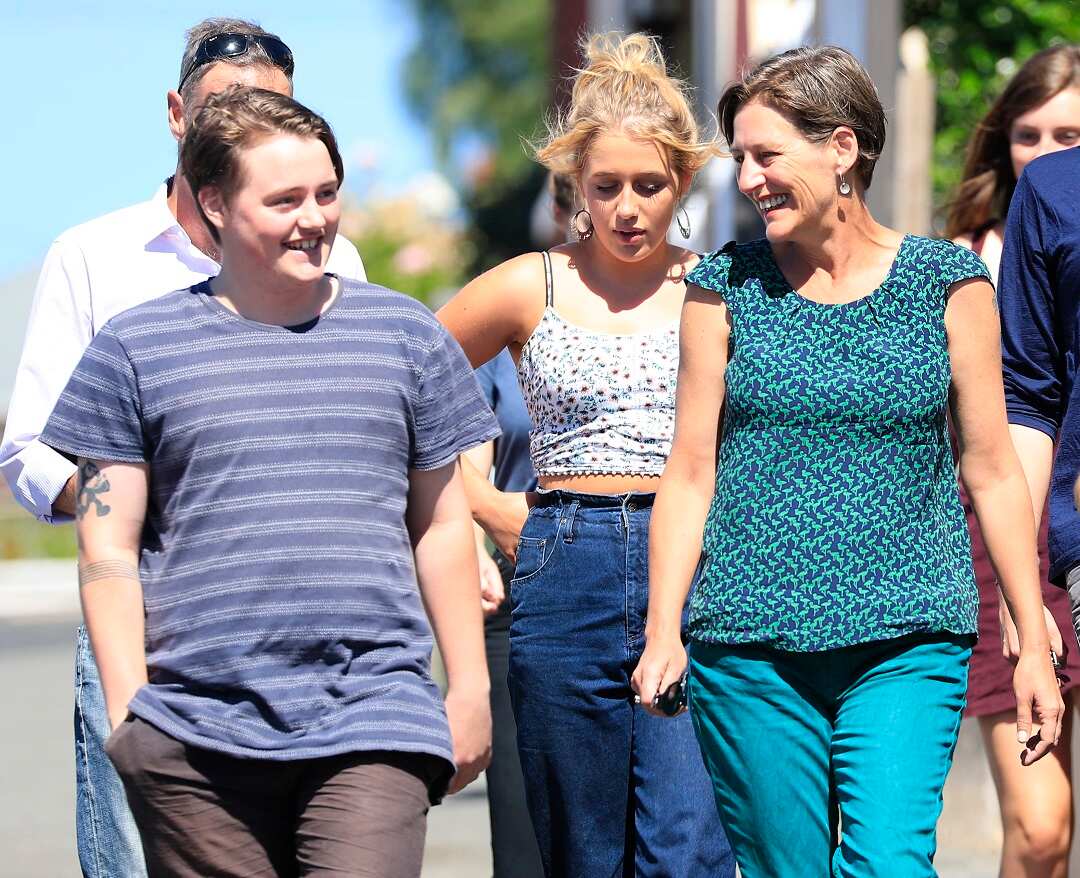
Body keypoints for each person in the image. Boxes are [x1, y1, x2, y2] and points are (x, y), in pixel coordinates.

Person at [39, 84, 497, 877]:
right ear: (214, 203)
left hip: (374, 715)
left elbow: (443, 524)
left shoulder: (407, 337)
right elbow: (106, 547)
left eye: (327, 193)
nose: (314, 218)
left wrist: (469, 690)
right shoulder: (135, 350)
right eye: (285, 200)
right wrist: (127, 715)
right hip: (192, 732)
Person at [633, 45, 1064, 878]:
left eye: (767, 155)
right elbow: (689, 472)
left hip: (909, 638)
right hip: (748, 645)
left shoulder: (947, 283)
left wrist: (1030, 638)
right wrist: (662, 632)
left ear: (841, 148)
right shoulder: (723, 287)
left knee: (890, 864)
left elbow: (992, 469)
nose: (748, 179)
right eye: (741, 159)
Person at [0, 18, 366, 878]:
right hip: (144, 617)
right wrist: (141, 505)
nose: (246, 125)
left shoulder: (335, 257)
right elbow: (30, 453)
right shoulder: (95, 257)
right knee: (139, 857)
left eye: (271, 108)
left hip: (300, 622)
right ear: (175, 113)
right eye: (222, 104)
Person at [438, 32, 734, 878]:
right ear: (576, 183)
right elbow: (404, 385)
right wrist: (480, 504)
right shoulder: (529, 284)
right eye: (607, 186)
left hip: (698, 565)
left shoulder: (720, 288)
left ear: (683, 180)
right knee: (582, 850)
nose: (628, 208)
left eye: (650, 184)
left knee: (689, 849)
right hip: (564, 562)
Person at [945, 44, 1080, 878]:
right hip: (1004, 523)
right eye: (1028, 134)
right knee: (1040, 828)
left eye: (1067, 134)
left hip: (1065, 506)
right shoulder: (961, 256)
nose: (1044, 152)